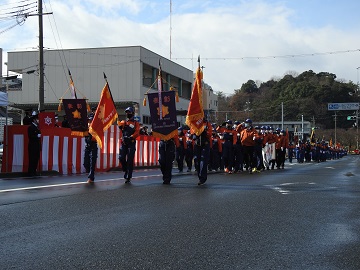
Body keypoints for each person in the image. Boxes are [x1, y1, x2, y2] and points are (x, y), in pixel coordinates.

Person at [118, 107, 140, 183]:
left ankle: (128, 175)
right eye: (126, 112)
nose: (128, 114)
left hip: (131, 142)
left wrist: (131, 137)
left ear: (133, 113)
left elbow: (137, 132)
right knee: (121, 157)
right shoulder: (124, 122)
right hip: (124, 143)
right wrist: (120, 125)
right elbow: (120, 125)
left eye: (129, 112)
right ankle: (125, 169)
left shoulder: (136, 123)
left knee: (130, 159)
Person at [193, 119, 212, 185]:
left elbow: (210, 133)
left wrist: (204, 132)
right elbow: (192, 132)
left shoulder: (207, 124)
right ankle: (199, 175)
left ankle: (202, 178)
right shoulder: (195, 123)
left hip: (205, 145)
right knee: (197, 161)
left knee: (203, 162)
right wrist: (196, 132)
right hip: (197, 145)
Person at [84, 114, 98, 183]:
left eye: (91, 120)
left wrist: (91, 137)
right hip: (87, 146)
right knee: (86, 163)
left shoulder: (96, 128)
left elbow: (97, 137)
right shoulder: (86, 127)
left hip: (93, 145)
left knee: (92, 162)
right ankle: (89, 172)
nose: (89, 122)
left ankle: (91, 177)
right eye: (89, 120)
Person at [27, 111, 41, 176]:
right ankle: (31, 172)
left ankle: (34, 171)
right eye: (37, 119)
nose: (38, 120)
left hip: (37, 146)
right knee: (32, 159)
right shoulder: (31, 127)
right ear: (34, 120)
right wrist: (37, 136)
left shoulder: (37, 127)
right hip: (33, 146)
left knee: (36, 160)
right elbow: (30, 136)